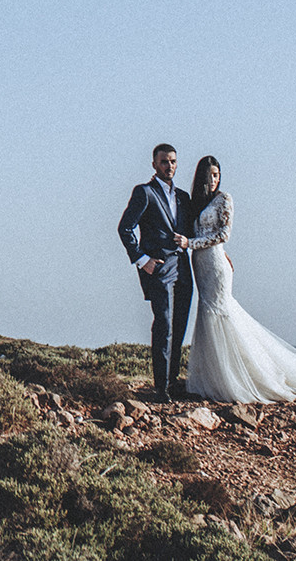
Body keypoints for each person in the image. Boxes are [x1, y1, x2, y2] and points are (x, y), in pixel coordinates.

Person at [179, 156, 296, 403]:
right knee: (207, 316)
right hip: (200, 265)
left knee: (221, 313)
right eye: (210, 176)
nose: (214, 180)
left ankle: (241, 377)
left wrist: (191, 244)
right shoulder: (198, 203)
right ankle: (214, 378)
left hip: (215, 265)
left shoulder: (224, 199)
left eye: (217, 175)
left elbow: (223, 234)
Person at [116, 143, 191, 401]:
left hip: (184, 268)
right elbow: (125, 228)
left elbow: (193, 232)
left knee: (179, 325)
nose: (168, 166)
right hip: (159, 269)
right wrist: (142, 260)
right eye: (163, 161)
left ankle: (172, 382)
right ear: (154, 164)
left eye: (172, 161)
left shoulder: (183, 197)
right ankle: (161, 388)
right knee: (164, 325)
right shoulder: (144, 193)